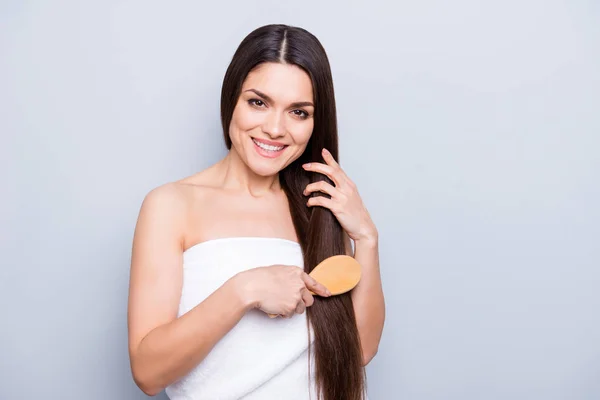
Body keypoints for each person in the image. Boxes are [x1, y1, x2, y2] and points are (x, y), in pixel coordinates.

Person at [127, 24, 385, 400]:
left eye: (298, 112)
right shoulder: (171, 205)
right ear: (231, 98)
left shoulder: (319, 206)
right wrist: (243, 290)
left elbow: (359, 350)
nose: (275, 128)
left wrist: (367, 238)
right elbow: (148, 373)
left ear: (315, 122)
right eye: (258, 102)